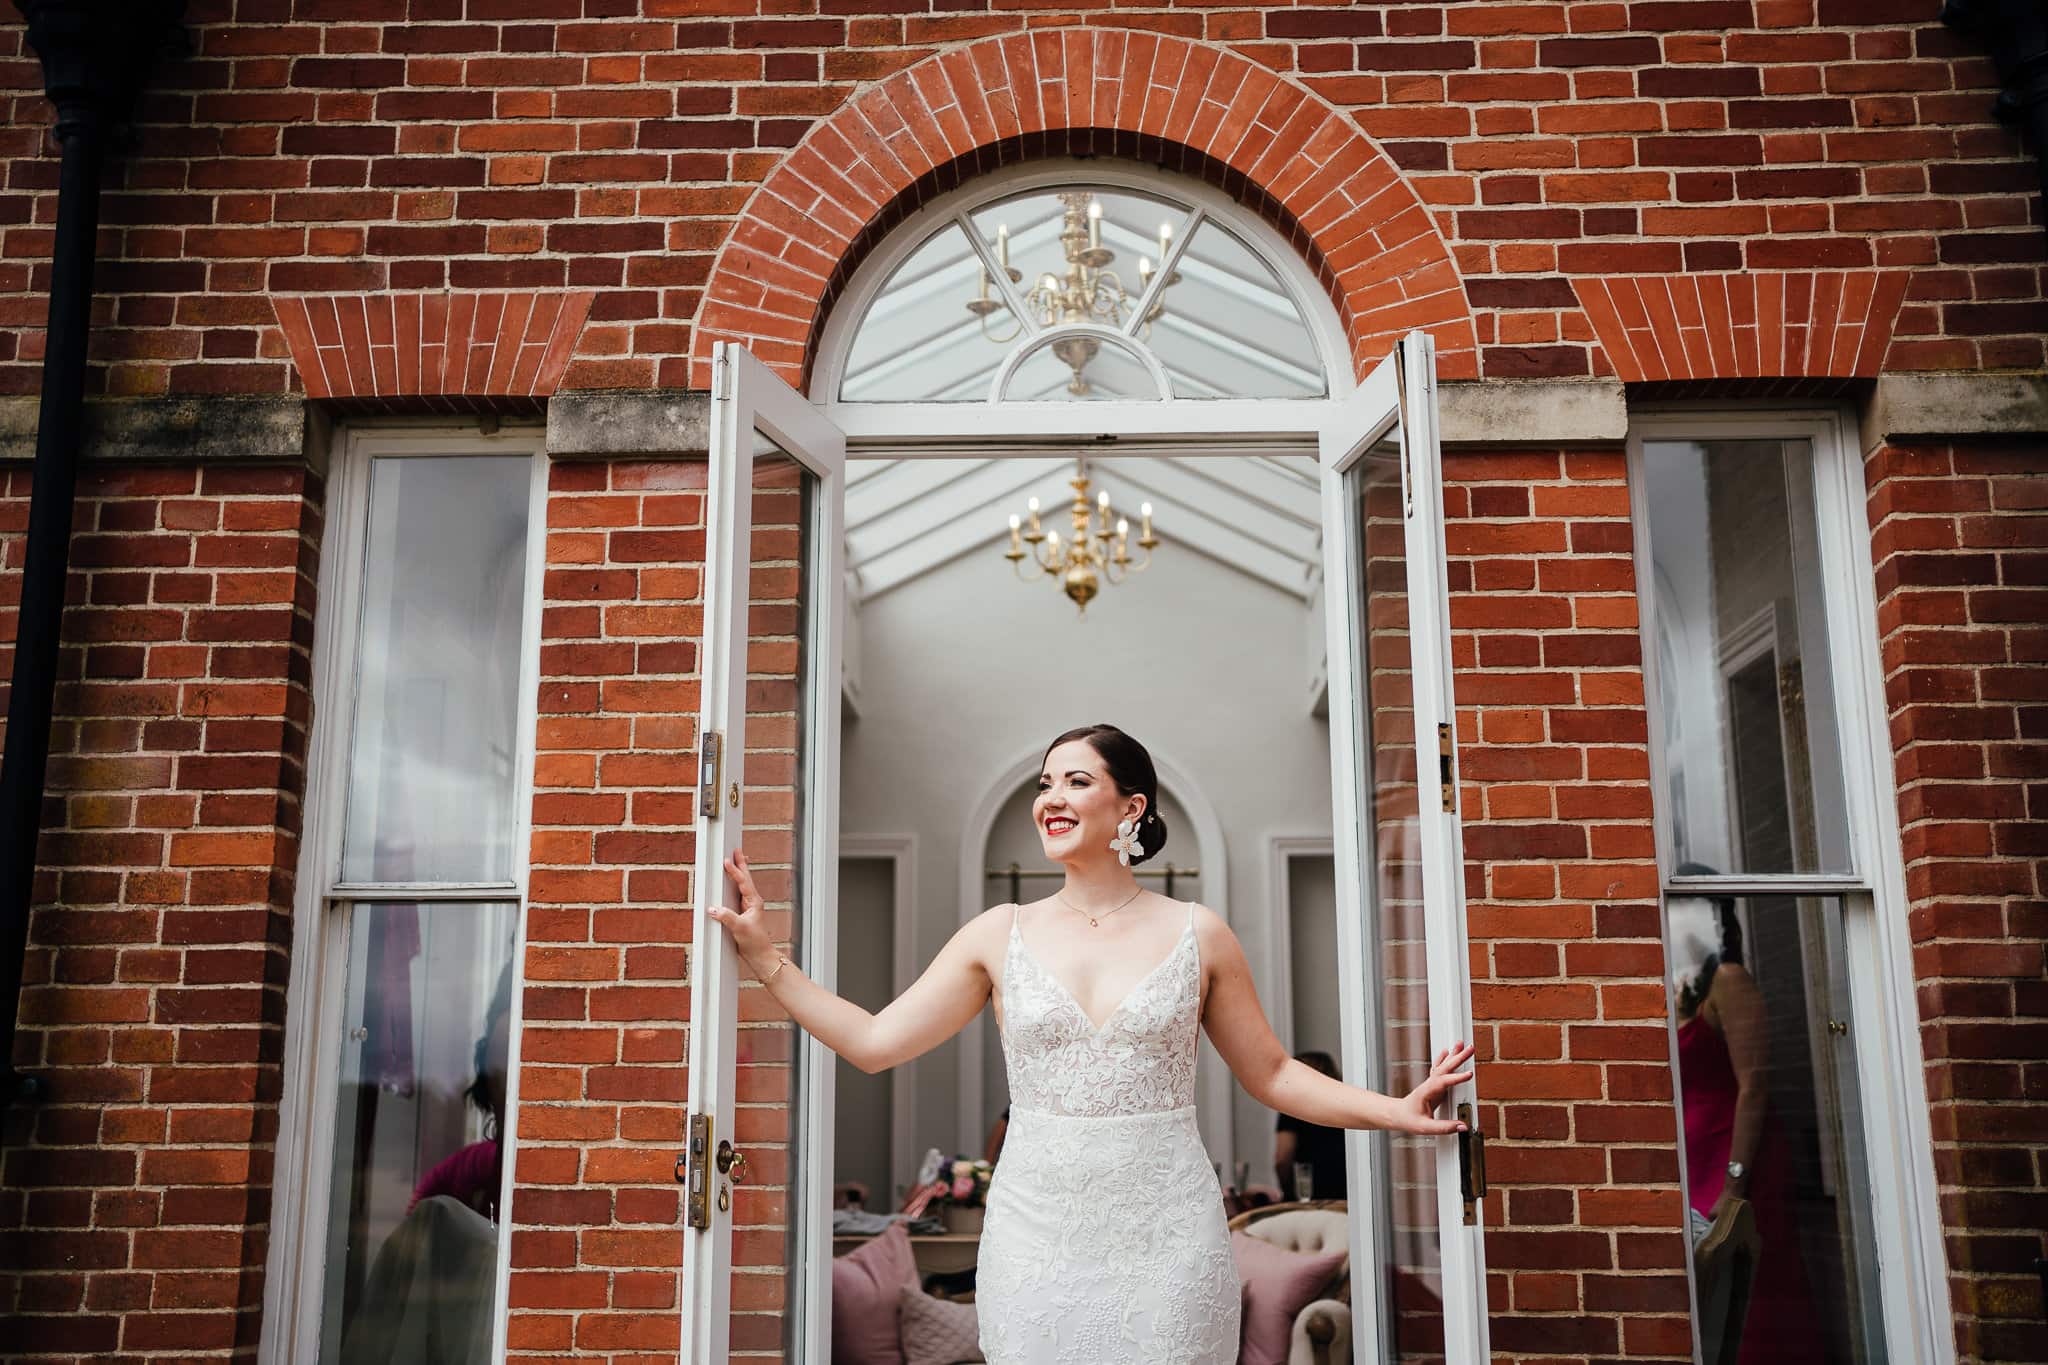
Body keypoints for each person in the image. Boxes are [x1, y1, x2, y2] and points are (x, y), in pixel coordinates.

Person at [711, 723, 1474, 1365]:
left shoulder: (1198, 932)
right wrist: (765, 958)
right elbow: (875, 1041)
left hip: (1170, 1241)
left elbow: (1273, 1072)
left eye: (1076, 781)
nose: (1051, 798)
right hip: (1037, 1244)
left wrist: (1396, 1110)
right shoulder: (996, 934)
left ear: (1130, 806)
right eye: (1046, 783)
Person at [1668, 870, 1822, 1363]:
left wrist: (1735, 1184)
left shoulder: (1730, 981)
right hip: (1693, 1163)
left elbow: (1754, 1083)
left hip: (1735, 1158)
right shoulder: (1683, 989)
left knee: (1748, 1294)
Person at [1274, 1050, 1349, 1203]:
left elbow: (1282, 1158)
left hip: (1307, 1196)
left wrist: (1287, 1192)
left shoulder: (1293, 1107)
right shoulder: (1345, 1106)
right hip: (1344, 1194)